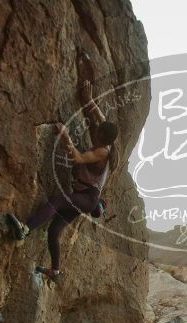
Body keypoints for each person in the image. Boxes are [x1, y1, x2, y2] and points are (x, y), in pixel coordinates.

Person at [6, 78, 118, 282]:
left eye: (97, 133)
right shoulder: (107, 138)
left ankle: (25, 229)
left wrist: (66, 136)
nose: (94, 133)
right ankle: (55, 271)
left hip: (87, 197)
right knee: (54, 230)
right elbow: (98, 116)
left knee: (57, 201)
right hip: (83, 198)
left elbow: (77, 158)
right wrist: (89, 99)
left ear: (103, 138)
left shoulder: (102, 152)